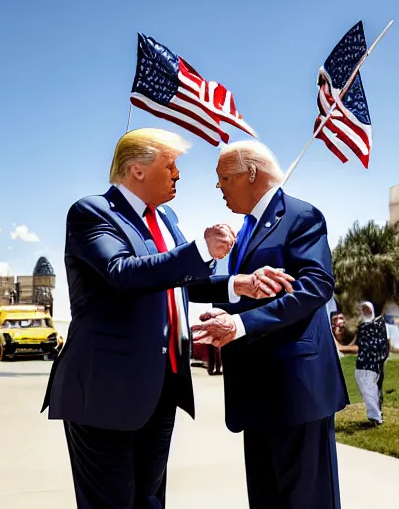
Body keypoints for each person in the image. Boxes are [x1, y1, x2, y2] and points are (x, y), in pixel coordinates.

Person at [40, 128, 288, 509]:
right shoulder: (91, 212)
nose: (177, 174)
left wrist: (238, 285)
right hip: (105, 392)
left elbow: (176, 279)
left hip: (158, 388)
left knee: (151, 500)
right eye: (169, 164)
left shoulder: (166, 218)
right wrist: (200, 250)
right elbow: (125, 272)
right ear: (137, 169)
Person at [190, 140, 349, 509]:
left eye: (224, 179)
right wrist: (224, 314)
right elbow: (250, 294)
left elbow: (315, 286)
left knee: (306, 501)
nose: (221, 189)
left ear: (251, 174)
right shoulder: (244, 229)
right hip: (257, 394)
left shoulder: (301, 216)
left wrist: (241, 324)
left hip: (296, 392)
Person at [354, 301, 389, 426]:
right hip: (361, 364)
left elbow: (381, 343)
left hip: (374, 364)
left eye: (368, 309)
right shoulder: (362, 327)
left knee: (372, 391)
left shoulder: (378, 325)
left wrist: (378, 355)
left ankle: (375, 416)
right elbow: (360, 344)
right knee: (368, 391)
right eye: (364, 309)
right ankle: (375, 415)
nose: (366, 312)